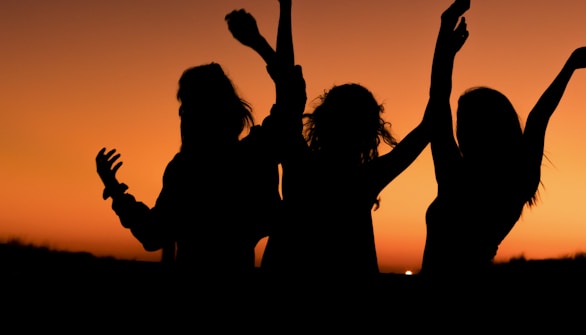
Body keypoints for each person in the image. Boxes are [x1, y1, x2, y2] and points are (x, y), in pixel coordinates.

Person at [227, 1, 467, 278]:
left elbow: (287, 88)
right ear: (370, 133)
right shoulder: (365, 179)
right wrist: (445, 47)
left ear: (321, 120)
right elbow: (431, 120)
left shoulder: (300, 163)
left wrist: (281, 13)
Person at [420, 30, 586, 276]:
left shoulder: (456, 175)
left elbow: (439, 99)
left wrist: (445, 49)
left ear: (479, 129)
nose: (458, 131)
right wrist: (570, 66)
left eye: (463, 122)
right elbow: (538, 118)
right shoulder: (519, 177)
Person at [95, 61, 283, 277]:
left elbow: (153, 234)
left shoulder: (186, 168)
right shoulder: (253, 156)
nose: (182, 114)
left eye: (187, 105)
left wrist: (115, 191)